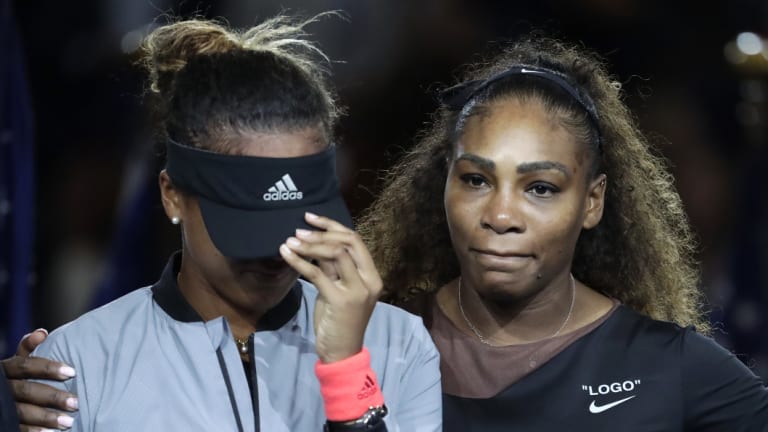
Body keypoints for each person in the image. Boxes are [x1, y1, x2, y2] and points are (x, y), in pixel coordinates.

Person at [2, 14, 441, 432]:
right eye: (247, 220)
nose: (276, 252)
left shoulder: (398, 343)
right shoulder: (80, 360)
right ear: (171, 194)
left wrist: (347, 370)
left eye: (295, 220)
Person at [356, 36, 768, 430]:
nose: (501, 216)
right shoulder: (374, 343)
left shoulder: (666, 364)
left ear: (592, 201)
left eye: (540, 188)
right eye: (476, 180)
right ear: (446, 178)